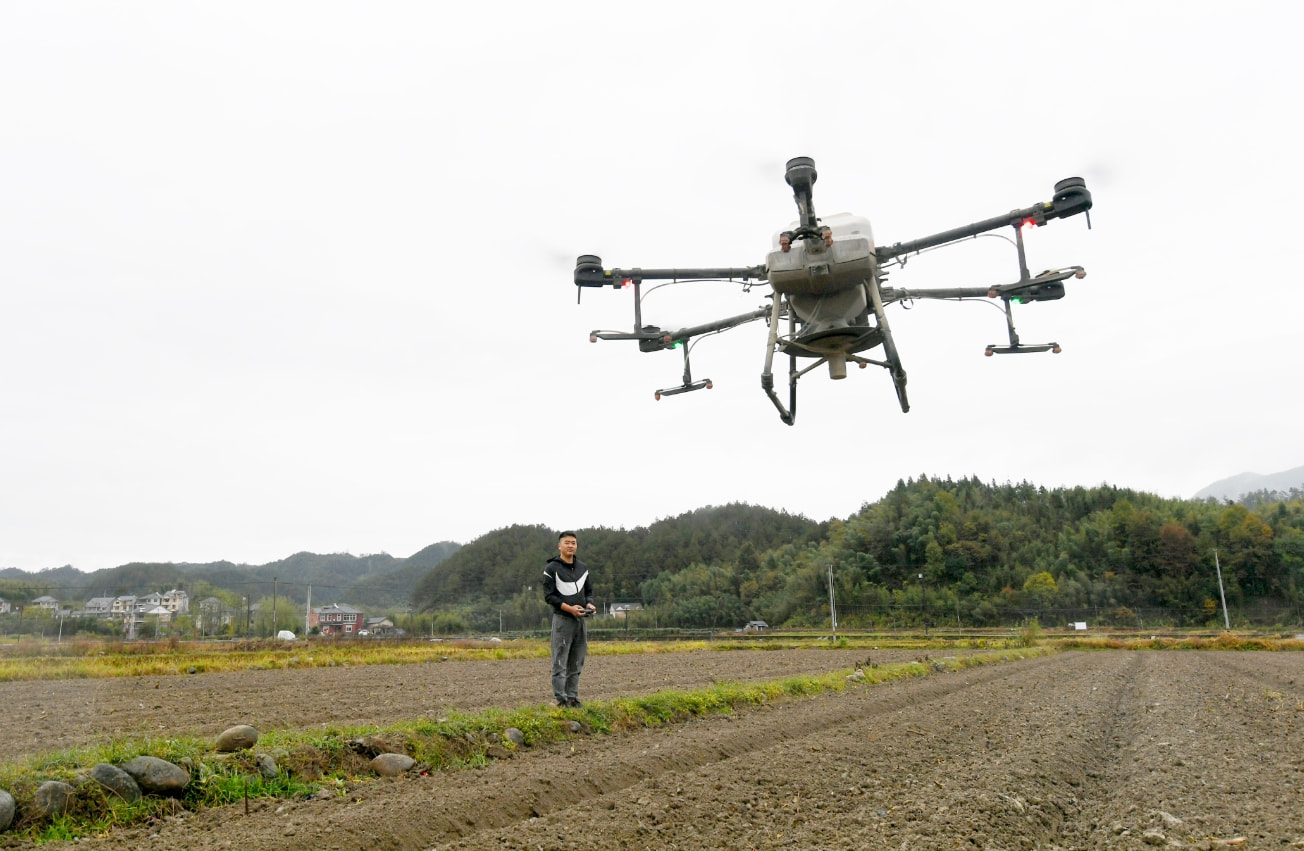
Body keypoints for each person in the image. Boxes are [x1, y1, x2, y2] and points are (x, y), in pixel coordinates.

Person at [542, 530, 595, 707]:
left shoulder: (583, 568)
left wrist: (589, 604)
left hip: (580, 621)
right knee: (560, 660)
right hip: (563, 620)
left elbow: (589, 592)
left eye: (573, 542)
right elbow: (549, 597)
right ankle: (561, 699)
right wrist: (569, 609)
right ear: (559, 545)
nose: (570, 545)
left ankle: (572, 697)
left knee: (577, 660)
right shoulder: (551, 569)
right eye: (567, 542)